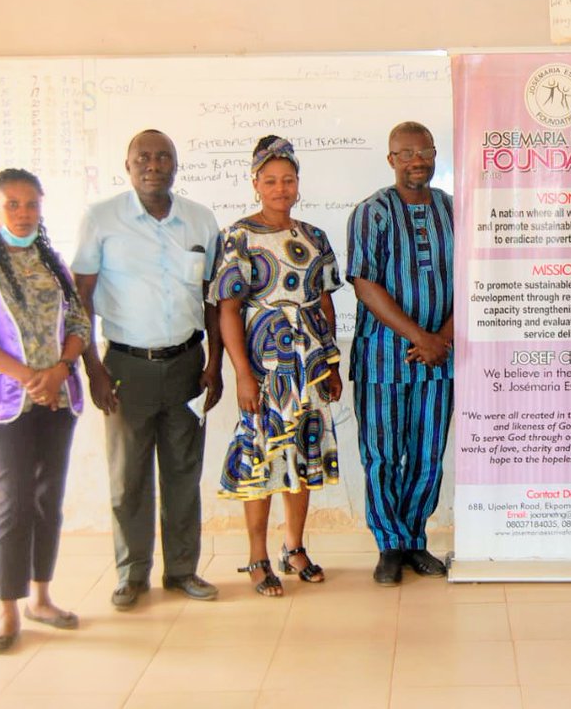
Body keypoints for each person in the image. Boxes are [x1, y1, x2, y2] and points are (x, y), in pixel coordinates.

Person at [72, 129, 224, 610]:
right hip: (125, 367)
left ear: (176, 165)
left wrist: (215, 361)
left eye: (163, 157)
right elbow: (81, 298)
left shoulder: (200, 220)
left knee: (183, 475)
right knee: (128, 479)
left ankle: (182, 570)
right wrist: (93, 369)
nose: (153, 165)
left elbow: (214, 298)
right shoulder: (101, 219)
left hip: (187, 365)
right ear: (128, 165)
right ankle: (131, 574)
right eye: (143, 158)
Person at [0, 168, 89, 652]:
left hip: (58, 398)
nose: (23, 213)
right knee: (15, 499)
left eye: (31, 204)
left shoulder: (53, 263)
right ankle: (7, 610)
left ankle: (41, 598)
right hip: (4, 402)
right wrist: (31, 378)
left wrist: (60, 370)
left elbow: (79, 324)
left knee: (49, 498)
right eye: (13, 204)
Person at [210, 135, 343, 596]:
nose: (280, 188)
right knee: (261, 457)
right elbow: (228, 310)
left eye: (288, 180)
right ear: (255, 184)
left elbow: (324, 302)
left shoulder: (314, 236)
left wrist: (331, 365)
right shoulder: (238, 236)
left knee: (302, 453)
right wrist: (242, 375)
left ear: (298, 184)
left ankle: (294, 547)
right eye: (270, 181)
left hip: (309, 364)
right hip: (264, 367)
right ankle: (257, 557)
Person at [347, 121, 454, 585]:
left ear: (434, 155)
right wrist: (420, 337)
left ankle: (414, 540)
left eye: (423, 151)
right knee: (383, 456)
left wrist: (441, 339)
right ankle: (388, 545)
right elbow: (364, 284)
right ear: (391, 160)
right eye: (405, 153)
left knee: (428, 455)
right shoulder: (372, 213)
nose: (416, 160)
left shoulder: (453, 210)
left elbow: (476, 276)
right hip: (382, 360)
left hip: (440, 360)